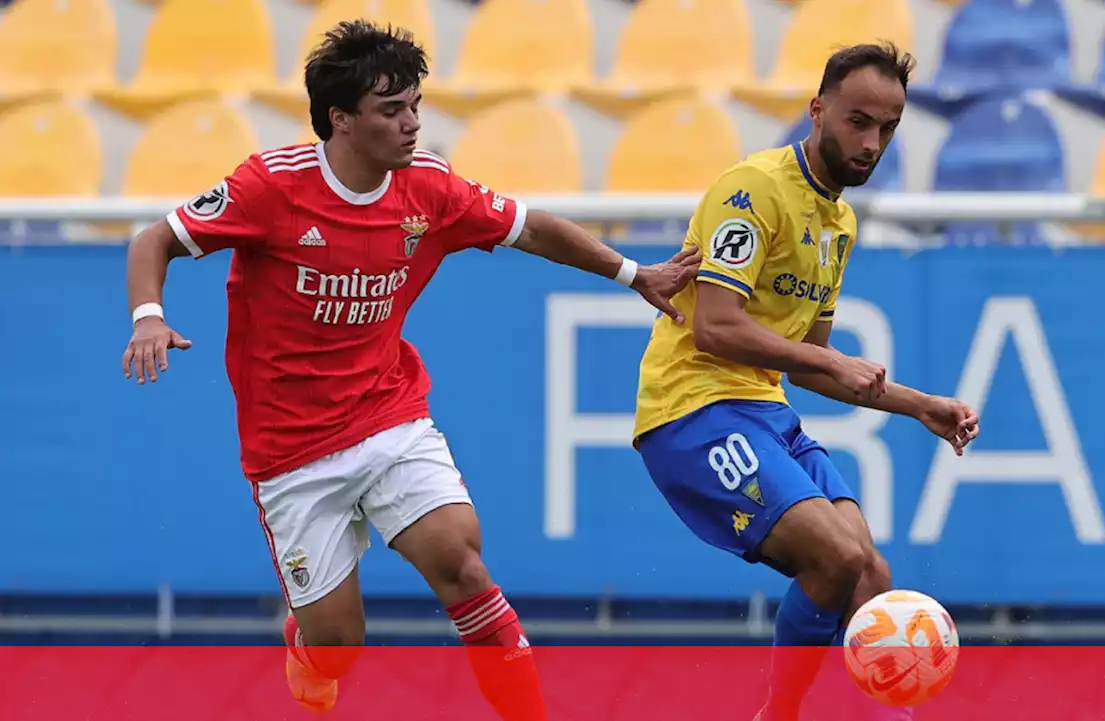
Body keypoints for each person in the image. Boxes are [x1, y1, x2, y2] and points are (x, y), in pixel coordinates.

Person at [120, 20, 700, 719]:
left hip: (386, 413)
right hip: (291, 450)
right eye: (392, 110)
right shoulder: (269, 187)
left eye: (416, 106)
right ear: (341, 119)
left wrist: (634, 272)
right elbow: (158, 238)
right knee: (338, 641)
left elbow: (532, 226)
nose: (412, 124)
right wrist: (148, 315)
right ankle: (309, 643)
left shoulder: (430, 189)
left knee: (463, 562)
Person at [630, 42, 980, 721]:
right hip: (691, 409)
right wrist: (828, 361)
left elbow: (808, 357)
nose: (871, 142)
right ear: (817, 112)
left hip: (762, 410)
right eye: (857, 121)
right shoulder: (754, 189)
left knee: (871, 576)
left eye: (887, 128)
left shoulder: (838, 220)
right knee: (835, 553)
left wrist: (919, 406)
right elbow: (716, 328)